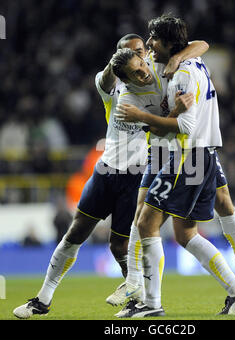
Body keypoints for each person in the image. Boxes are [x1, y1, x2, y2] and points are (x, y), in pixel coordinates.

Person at [12, 34, 208, 319]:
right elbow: (105, 79)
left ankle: (137, 297)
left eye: (142, 53)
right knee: (75, 233)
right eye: (133, 56)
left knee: (120, 244)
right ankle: (42, 300)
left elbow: (201, 45)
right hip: (105, 171)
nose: (142, 60)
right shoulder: (112, 86)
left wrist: (176, 58)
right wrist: (119, 63)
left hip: (137, 177)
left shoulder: (163, 79)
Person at [112, 14, 235, 317]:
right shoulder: (181, 66)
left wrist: (145, 119)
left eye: (153, 40)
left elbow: (184, 126)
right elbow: (198, 46)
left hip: (186, 157)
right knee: (184, 232)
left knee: (146, 223)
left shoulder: (181, 75)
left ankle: (150, 304)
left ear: (166, 43)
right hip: (195, 155)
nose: (149, 46)